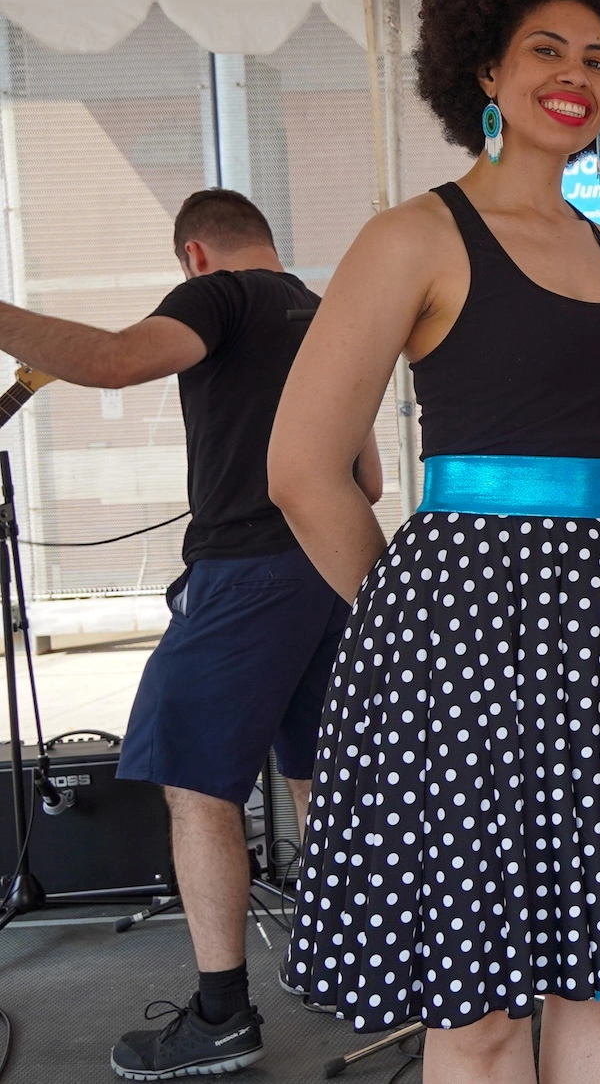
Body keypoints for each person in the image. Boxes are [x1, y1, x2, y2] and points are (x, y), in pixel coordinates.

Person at [270, 0, 600, 1083]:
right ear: (484, 64)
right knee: (477, 1009)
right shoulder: (411, 238)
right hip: (461, 646)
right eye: (545, 48)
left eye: (596, 57)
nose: (573, 77)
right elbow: (299, 466)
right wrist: (410, 612)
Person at [0, 187, 377, 1078]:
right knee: (316, 774)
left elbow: (120, 359)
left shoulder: (220, 295)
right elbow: (362, 469)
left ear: (195, 255)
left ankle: (220, 1014)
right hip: (329, 568)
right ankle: (344, 965)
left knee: (195, 783)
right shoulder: (324, 311)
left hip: (245, 569)